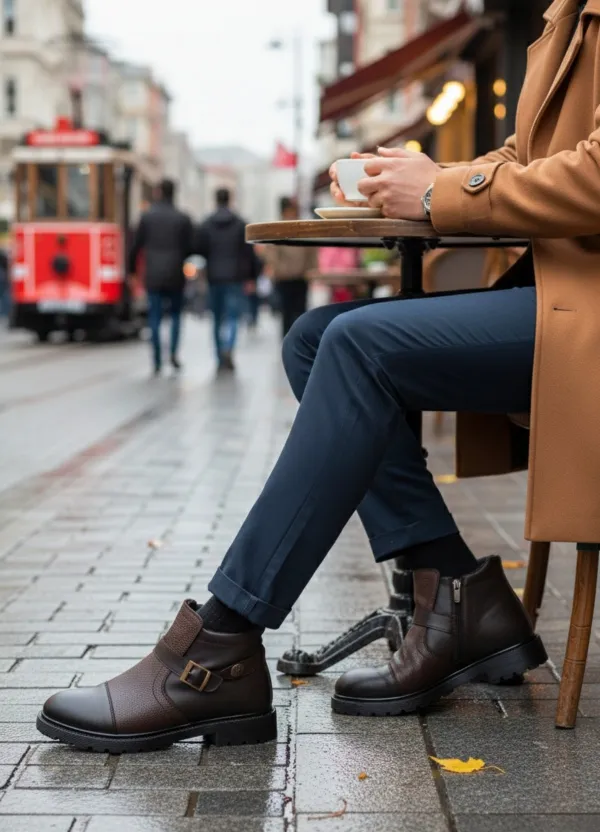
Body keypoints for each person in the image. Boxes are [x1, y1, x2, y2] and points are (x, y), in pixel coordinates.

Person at [40, 0, 600, 752]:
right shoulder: (567, 12)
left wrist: (437, 194)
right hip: (563, 293)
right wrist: (428, 176)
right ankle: (454, 591)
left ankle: (220, 645)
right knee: (316, 339)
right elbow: (528, 158)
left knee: (359, 345)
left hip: (585, 306)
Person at [128, 179, 193, 375]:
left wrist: (132, 271)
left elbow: (135, 247)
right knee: (175, 315)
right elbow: (191, 247)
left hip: (153, 274)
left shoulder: (147, 217)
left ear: (158, 192)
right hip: (175, 273)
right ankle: (173, 354)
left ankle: (156, 359)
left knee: (154, 316)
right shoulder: (182, 218)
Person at [195, 188, 260, 371]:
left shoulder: (206, 224)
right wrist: (252, 276)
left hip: (214, 277)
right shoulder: (240, 224)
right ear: (230, 199)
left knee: (216, 318)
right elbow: (249, 253)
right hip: (235, 277)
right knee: (232, 317)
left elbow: (199, 248)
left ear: (215, 200)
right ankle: (229, 348)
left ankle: (219, 355)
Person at [265, 198, 317, 337]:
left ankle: (299, 338)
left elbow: (311, 251)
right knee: (286, 313)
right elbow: (271, 254)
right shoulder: (277, 229)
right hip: (284, 279)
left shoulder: (303, 228)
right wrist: (278, 270)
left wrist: (312, 270)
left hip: (301, 277)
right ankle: (287, 339)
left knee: (301, 311)